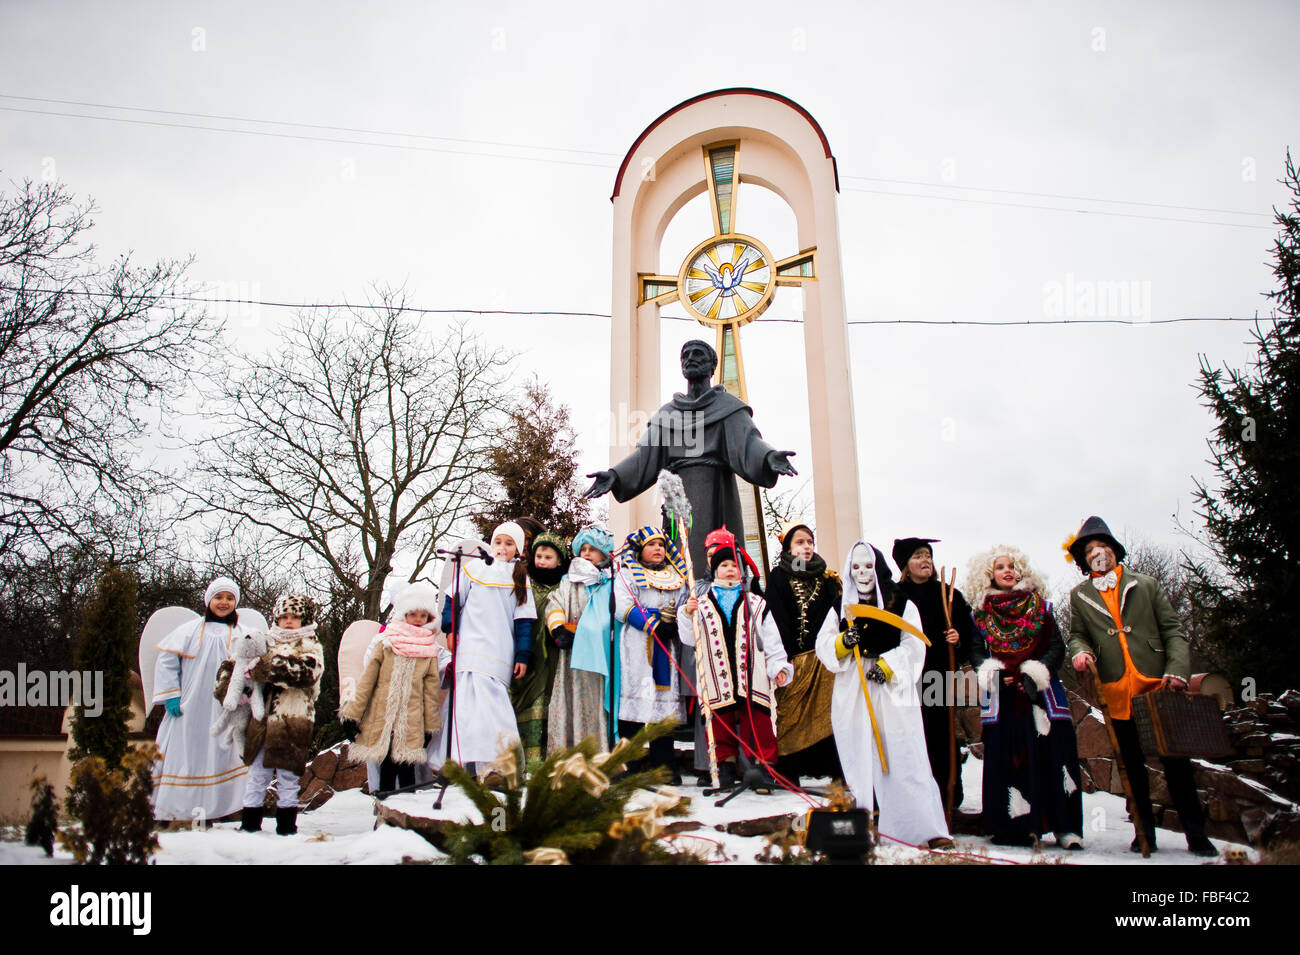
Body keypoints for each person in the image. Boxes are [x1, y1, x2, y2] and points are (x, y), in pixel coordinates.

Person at [1065, 516, 1217, 857]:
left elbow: (1173, 630)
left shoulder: (1145, 585)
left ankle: (1197, 835)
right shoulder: (1080, 596)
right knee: (1131, 768)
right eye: (1089, 550)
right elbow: (1077, 636)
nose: (1097, 554)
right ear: (1083, 560)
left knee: (1176, 764)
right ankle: (1143, 833)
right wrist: (1081, 652)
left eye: (1102, 547)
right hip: (1117, 693)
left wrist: (1177, 671)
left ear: (1115, 551)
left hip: (1157, 688)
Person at [584, 340, 797, 573]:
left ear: (712, 366)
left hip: (717, 493)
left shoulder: (728, 408)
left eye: (697, 354)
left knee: (718, 558)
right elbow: (645, 455)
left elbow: (749, 442)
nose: (690, 358)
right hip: (679, 495)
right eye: (685, 355)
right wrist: (616, 475)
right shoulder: (668, 414)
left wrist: (768, 457)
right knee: (680, 556)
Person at [815, 541, 953, 849]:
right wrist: (842, 642)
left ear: (877, 567)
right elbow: (823, 643)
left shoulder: (900, 602)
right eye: (856, 567)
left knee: (905, 753)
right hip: (853, 688)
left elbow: (914, 644)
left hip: (891, 691)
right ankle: (863, 824)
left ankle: (921, 828)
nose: (862, 573)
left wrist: (889, 666)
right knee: (858, 753)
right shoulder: (838, 605)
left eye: (867, 566)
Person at [964, 547, 1083, 848]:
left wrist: (1035, 672)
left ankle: (1065, 827)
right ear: (988, 574)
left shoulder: (1041, 607)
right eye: (1000, 566)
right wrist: (991, 672)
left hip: (1041, 694)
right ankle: (1013, 828)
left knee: (1055, 755)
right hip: (1003, 696)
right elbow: (976, 650)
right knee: (1008, 757)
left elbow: (1057, 647)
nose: (1007, 570)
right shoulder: (979, 614)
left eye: (1012, 566)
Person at [680, 534, 793, 789]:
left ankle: (764, 768)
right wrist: (687, 614)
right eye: (724, 566)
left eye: (734, 566)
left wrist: (778, 667)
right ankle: (725, 767)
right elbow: (689, 638)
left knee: (760, 721)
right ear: (715, 570)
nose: (730, 570)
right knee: (720, 722)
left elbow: (771, 640)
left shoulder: (756, 603)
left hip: (751, 672)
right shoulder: (702, 603)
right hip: (716, 673)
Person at [434, 521, 536, 775]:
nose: (502, 547)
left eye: (509, 543)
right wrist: (450, 629)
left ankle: (498, 764)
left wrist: (523, 654)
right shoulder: (474, 568)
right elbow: (453, 600)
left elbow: (524, 622)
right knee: (464, 703)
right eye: (498, 541)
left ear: (519, 549)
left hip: (499, 649)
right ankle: (457, 763)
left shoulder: (520, 577)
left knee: (493, 704)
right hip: (469, 643)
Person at [151, 577, 252, 822]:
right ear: (208, 600)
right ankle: (174, 810)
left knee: (222, 751)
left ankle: (223, 809)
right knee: (183, 751)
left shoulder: (243, 633)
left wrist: (247, 694)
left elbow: (253, 666)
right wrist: (171, 694)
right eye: (219, 597)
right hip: (189, 705)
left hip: (225, 706)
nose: (224, 602)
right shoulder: (189, 630)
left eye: (229, 598)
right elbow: (166, 661)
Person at [224, 592, 325, 835]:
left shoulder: (310, 645)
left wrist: (267, 666)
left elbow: (307, 673)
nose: (288, 621)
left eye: (294, 617)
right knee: (258, 774)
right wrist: (231, 683)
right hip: (261, 721)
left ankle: (287, 827)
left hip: (293, 720)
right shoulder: (263, 640)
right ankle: (249, 825)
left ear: (305, 619)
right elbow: (234, 666)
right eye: (283, 616)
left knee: (289, 778)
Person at [893, 537, 975, 813]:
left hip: (939, 676)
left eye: (927, 555)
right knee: (912, 736)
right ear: (906, 564)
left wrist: (958, 638)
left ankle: (947, 797)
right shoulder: (895, 596)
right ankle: (913, 800)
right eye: (918, 556)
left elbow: (970, 634)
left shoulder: (949, 594)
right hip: (907, 680)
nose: (925, 560)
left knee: (942, 737)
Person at [340, 583, 443, 792]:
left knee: (407, 773)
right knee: (387, 769)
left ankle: (405, 815)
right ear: (404, 614)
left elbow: (430, 690)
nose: (417, 619)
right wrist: (352, 714)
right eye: (412, 613)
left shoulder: (428, 650)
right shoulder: (385, 642)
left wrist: (429, 726)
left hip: (412, 720)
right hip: (385, 716)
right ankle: (385, 813)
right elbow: (367, 681)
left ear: (429, 619)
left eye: (423, 615)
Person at [764, 521, 842, 785]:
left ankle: (832, 768)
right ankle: (790, 769)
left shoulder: (828, 578)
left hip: (825, 661)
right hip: (794, 659)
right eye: (800, 542)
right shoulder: (779, 576)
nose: (806, 547)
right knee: (792, 715)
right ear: (788, 548)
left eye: (809, 541)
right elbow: (776, 616)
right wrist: (783, 657)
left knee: (829, 716)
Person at [614, 525, 688, 780]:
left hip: (667, 645)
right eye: (651, 545)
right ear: (640, 550)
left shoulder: (677, 576)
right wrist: (654, 624)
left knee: (662, 706)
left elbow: (684, 604)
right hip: (637, 644)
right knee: (635, 700)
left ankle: (663, 765)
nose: (658, 549)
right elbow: (623, 606)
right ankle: (628, 764)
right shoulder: (627, 574)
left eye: (661, 545)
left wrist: (675, 622)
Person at [546, 525, 616, 753]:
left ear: (604, 554)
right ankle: (569, 753)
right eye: (583, 549)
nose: (586, 553)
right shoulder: (570, 581)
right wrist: (557, 628)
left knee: (598, 703)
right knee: (572, 701)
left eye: (592, 549)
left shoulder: (611, 582)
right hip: (573, 654)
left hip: (601, 653)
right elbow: (555, 603)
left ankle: (599, 753)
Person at [513, 530, 569, 761]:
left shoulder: (565, 586)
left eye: (548, 557)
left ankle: (551, 756)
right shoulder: (524, 582)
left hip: (557, 653)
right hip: (530, 654)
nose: (542, 562)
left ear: (559, 560)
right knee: (529, 703)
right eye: (539, 556)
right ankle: (527, 758)